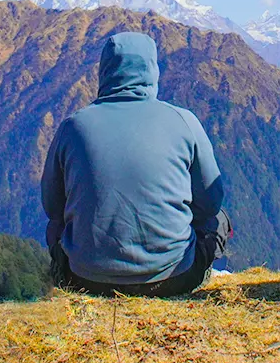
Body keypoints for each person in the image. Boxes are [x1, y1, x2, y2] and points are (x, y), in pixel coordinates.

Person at [41, 32, 230, 296]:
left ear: (104, 71)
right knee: (219, 219)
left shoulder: (73, 126)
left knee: (56, 226)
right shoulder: (184, 121)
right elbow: (211, 202)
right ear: (152, 70)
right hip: (174, 277)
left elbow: (52, 206)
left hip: (84, 279)